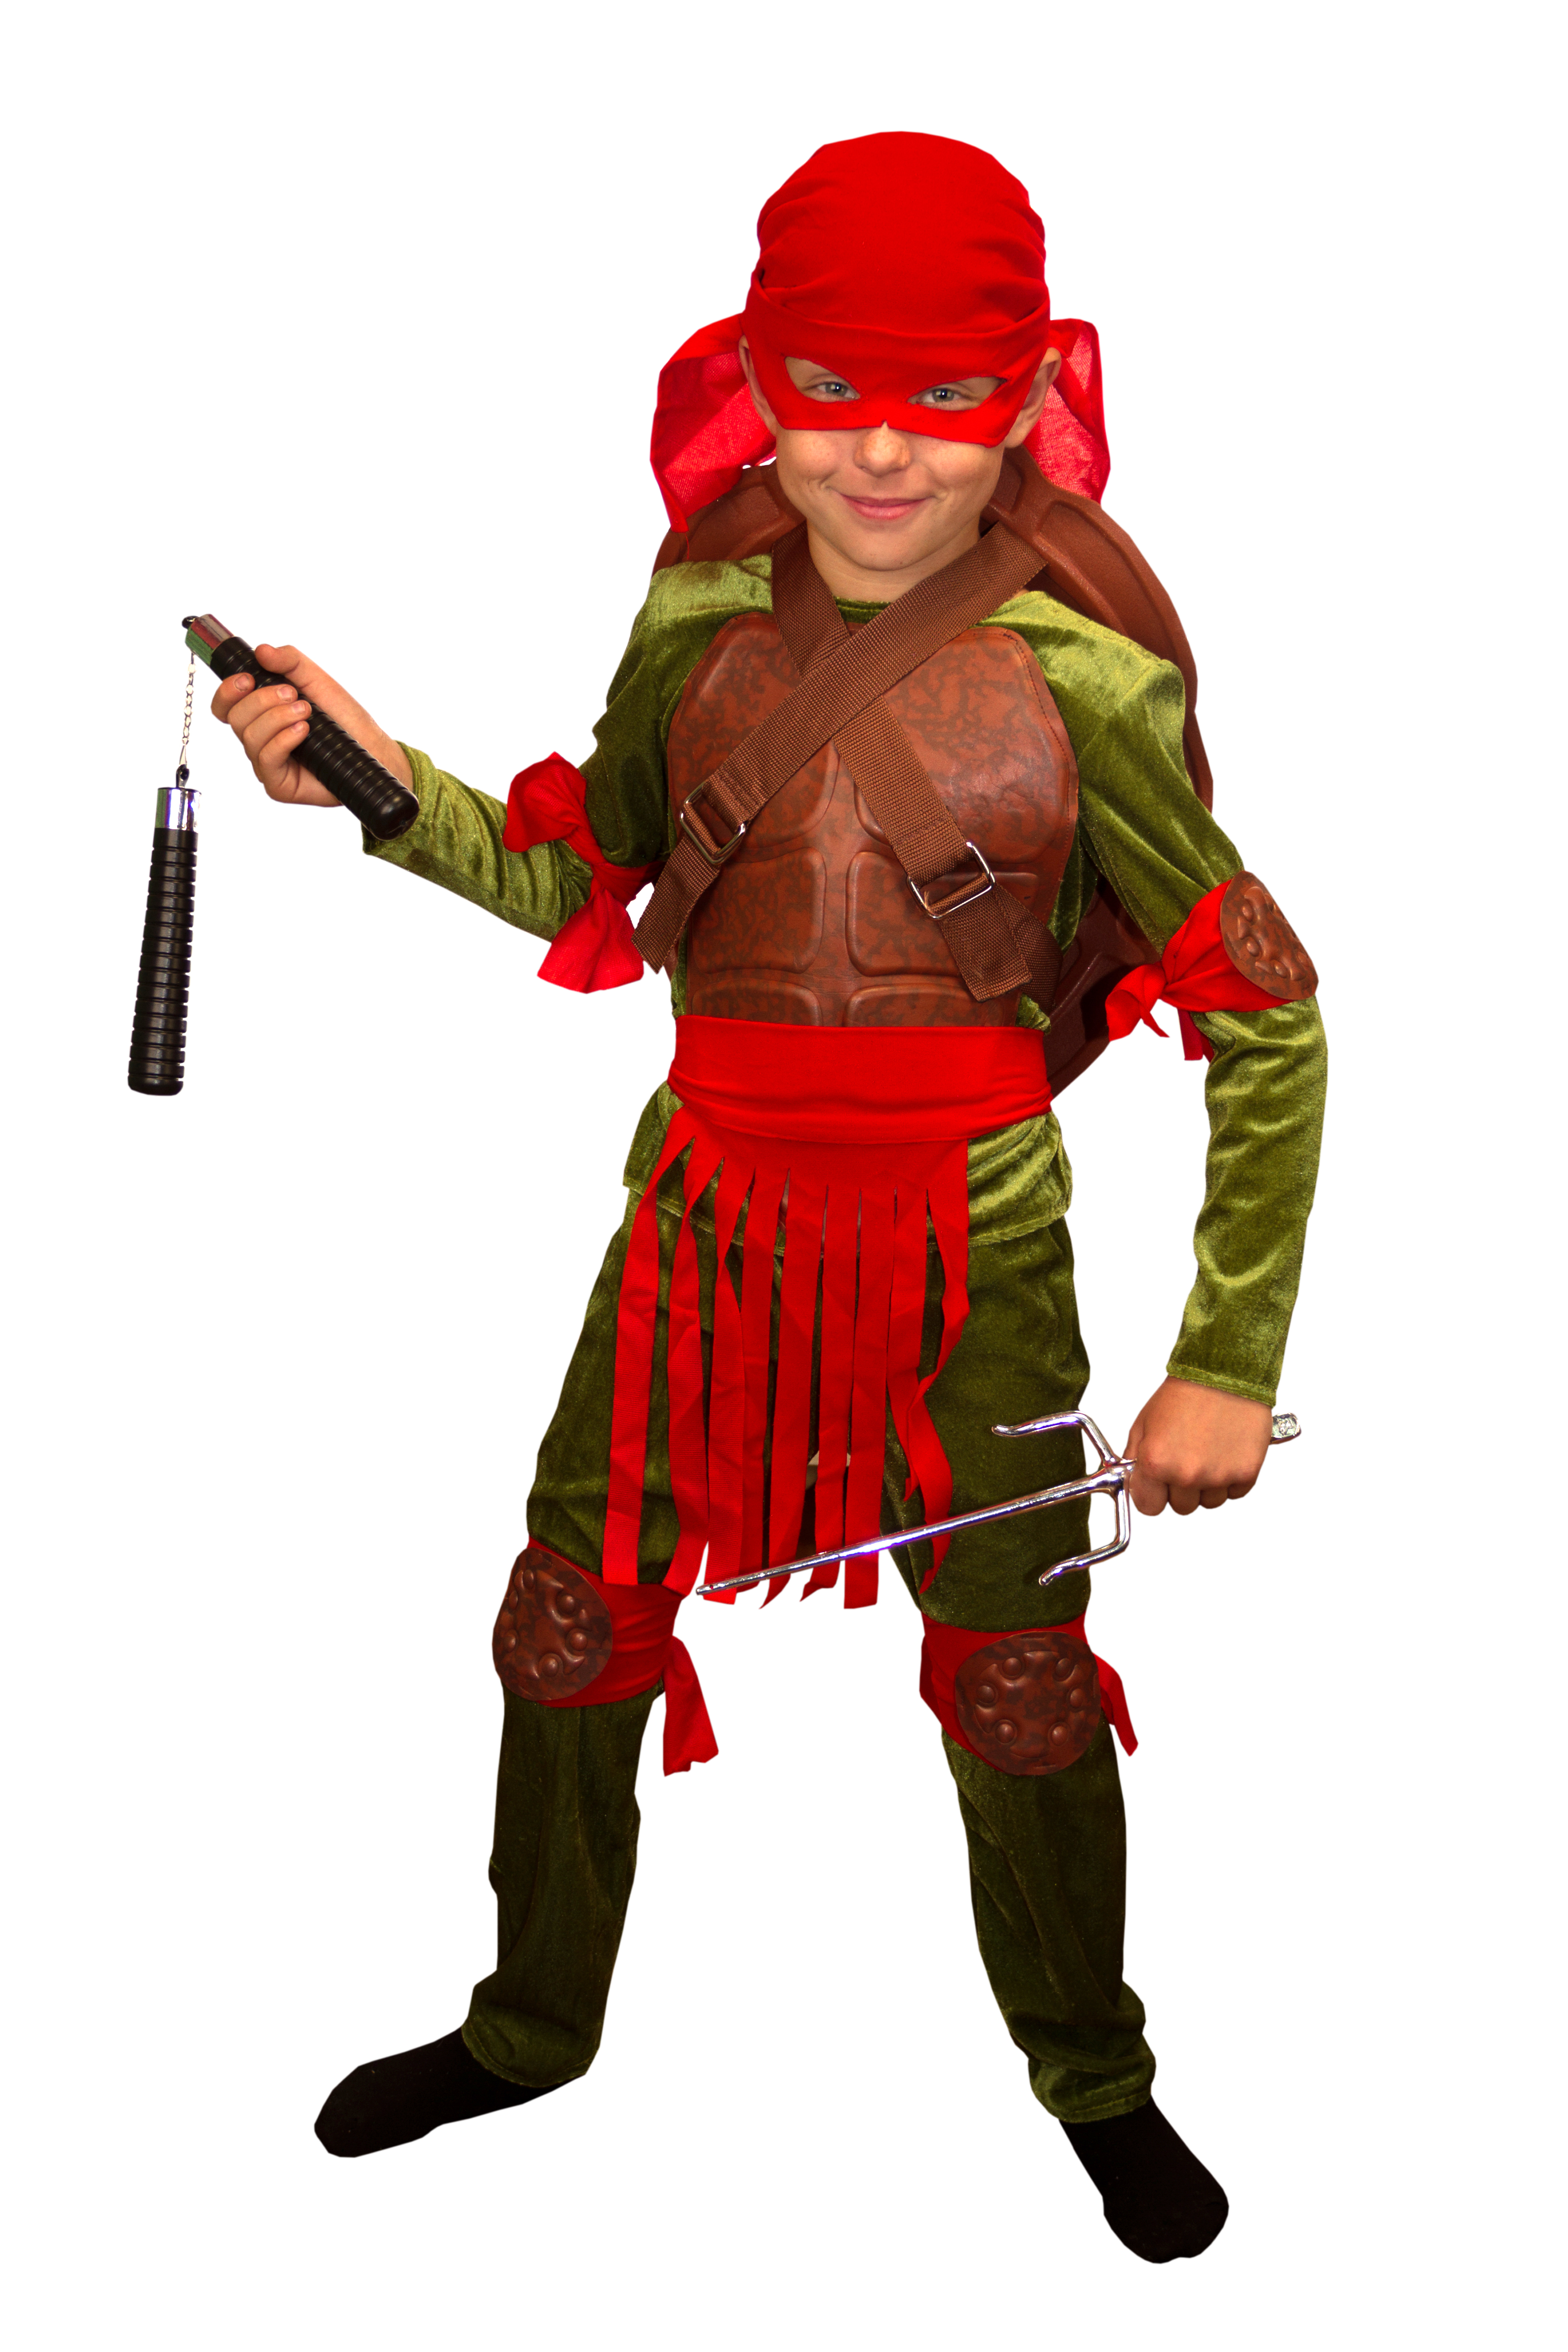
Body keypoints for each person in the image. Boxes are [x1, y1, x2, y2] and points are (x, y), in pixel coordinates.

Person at [208, 132, 1325, 2264]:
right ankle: (529, 2032)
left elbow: (1269, 1016)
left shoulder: (1095, 680)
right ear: (759, 380)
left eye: (943, 395)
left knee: (1019, 1676)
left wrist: (1227, 1360)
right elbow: (580, 875)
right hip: (700, 1219)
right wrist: (373, 774)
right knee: (569, 1622)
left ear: (1029, 394)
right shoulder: (701, 622)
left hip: (976, 1246)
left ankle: (1098, 2084)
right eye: (833, 389)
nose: (882, 452)